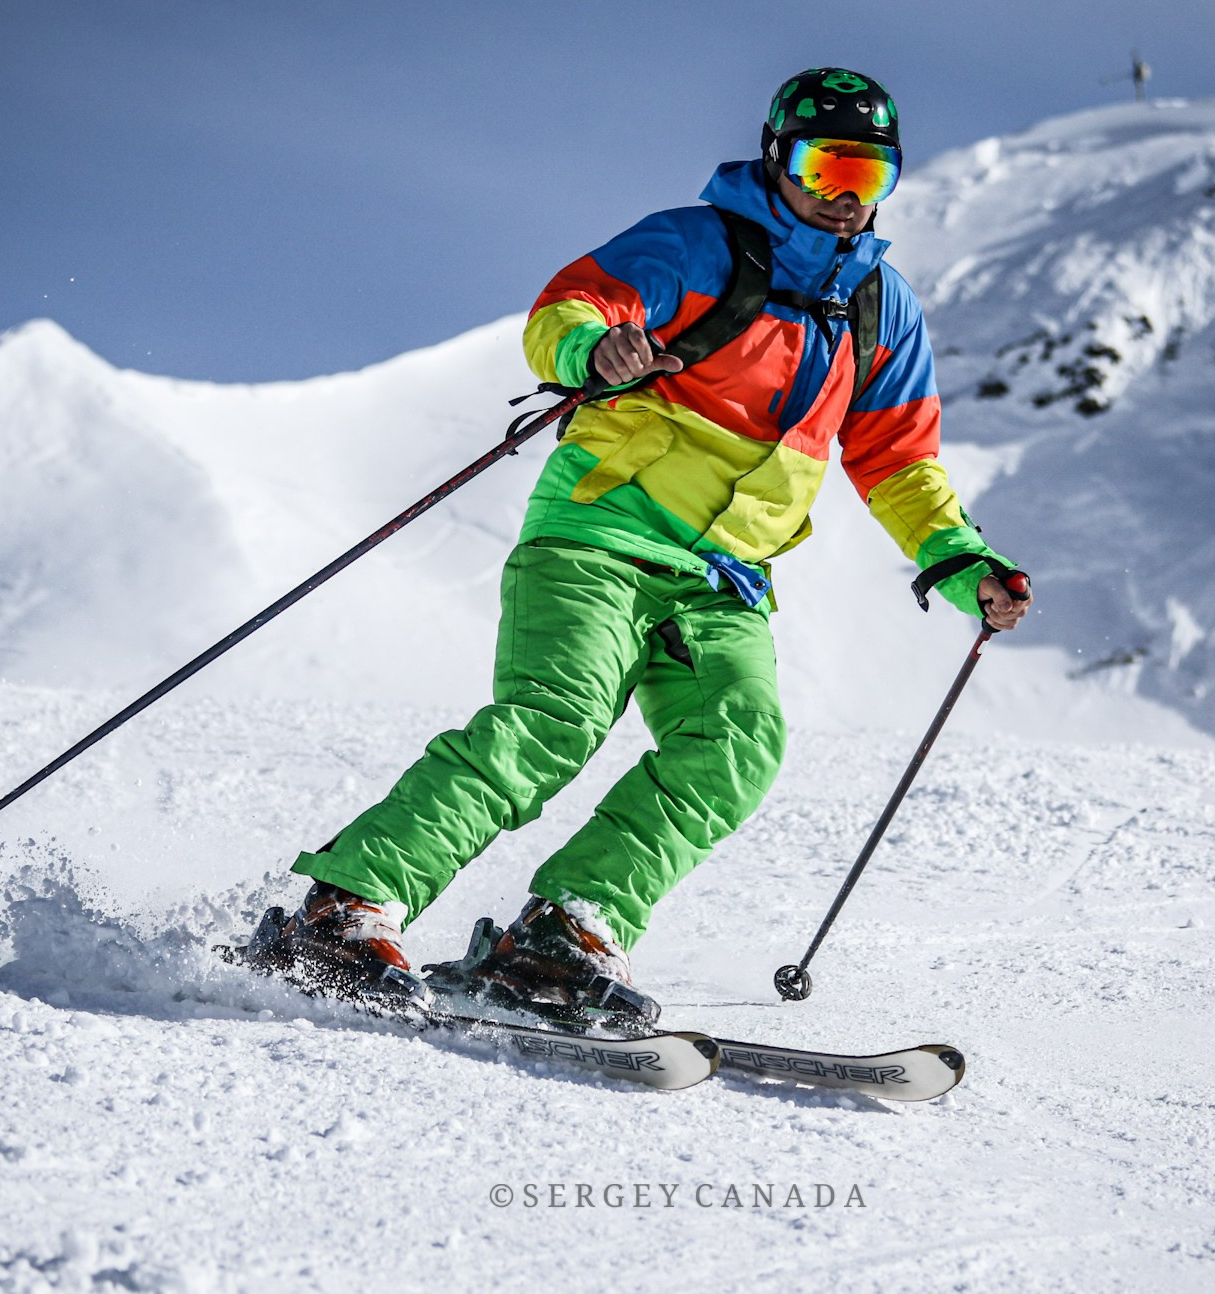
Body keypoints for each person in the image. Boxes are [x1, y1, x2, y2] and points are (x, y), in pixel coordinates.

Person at [252, 67, 1029, 1021]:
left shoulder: (882, 309)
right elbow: (567, 311)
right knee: (553, 723)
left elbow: (899, 459)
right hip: (602, 537)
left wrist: (963, 565)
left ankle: (560, 935)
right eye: (825, 164)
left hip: (726, 582)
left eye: (866, 177)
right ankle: (341, 910)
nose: (840, 194)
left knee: (737, 744)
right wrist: (596, 351)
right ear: (778, 159)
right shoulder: (698, 244)